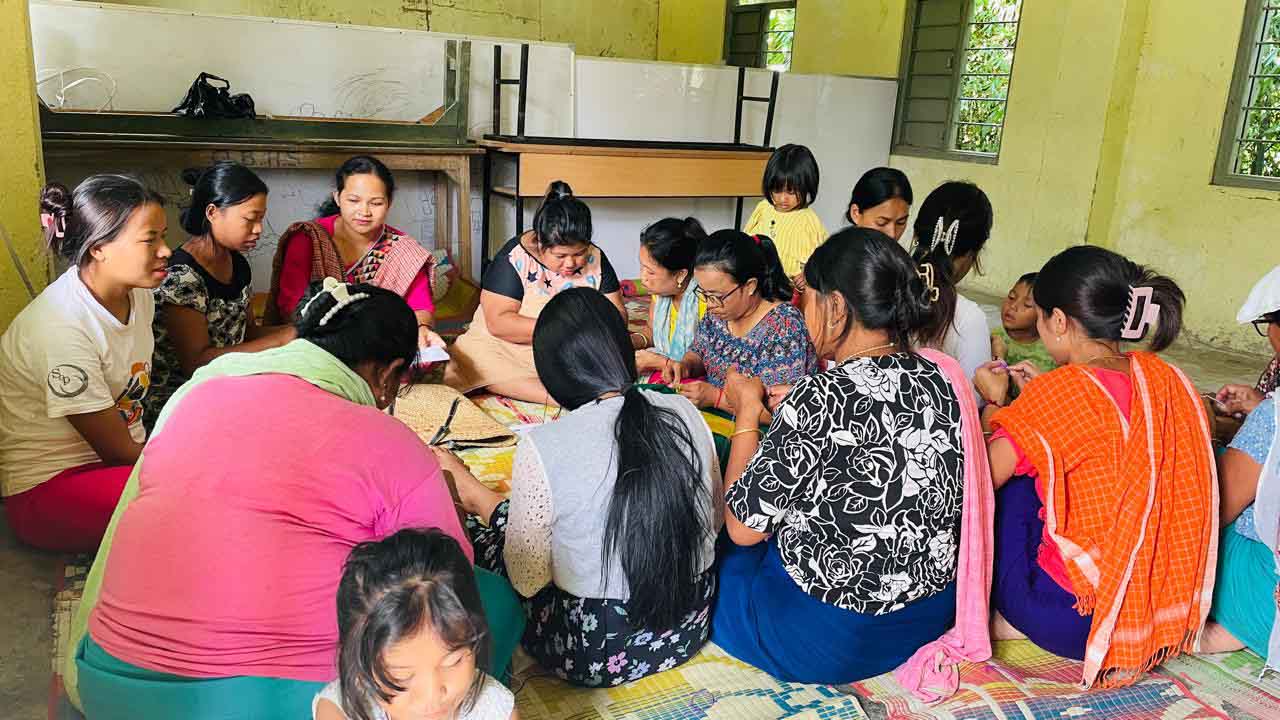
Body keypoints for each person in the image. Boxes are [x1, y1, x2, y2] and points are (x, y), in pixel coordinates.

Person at [65, 280, 524, 719]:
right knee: (495, 600)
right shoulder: (388, 440)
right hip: (284, 703)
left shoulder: (201, 397)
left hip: (111, 686)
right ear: (385, 376)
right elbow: (448, 584)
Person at [712, 228, 989, 686]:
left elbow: (742, 530)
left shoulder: (819, 394)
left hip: (831, 640)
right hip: (926, 617)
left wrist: (746, 411)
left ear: (837, 307)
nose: (804, 314)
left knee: (722, 552)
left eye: (810, 300)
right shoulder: (945, 381)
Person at [440, 287, 722, 687]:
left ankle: (474, 496)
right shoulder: (684, 410)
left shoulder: (546, 443)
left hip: (596, 649)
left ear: (553, 371)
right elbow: (713, 519)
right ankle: (480, 499)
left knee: (477, 542)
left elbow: (527, 578)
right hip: (688, 624)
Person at [977, 246, 1217, 688]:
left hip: (1069, 618)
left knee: (1015, 478)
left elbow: (979, 481)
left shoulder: (1060, 392)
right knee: (1043, 454)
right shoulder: (1172, 382)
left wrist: (1002, 405)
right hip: (1157, 614)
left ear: (1060, 322)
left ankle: (992, 613)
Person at [0, 176, 169, 552]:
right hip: (50, 490)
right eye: (150, 240)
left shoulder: (140, 296)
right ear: (99, 249)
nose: (166, 250)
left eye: (164, 236)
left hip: (118, 468)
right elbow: (119, 451)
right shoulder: (60, 327)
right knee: (199, 501)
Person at [446, 181, 627, 403]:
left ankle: (581, 390)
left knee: (608, 358)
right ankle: (577, 396)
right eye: (560, 256)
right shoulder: (514, 258)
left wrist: (584, 334)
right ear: (539, 244)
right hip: (507, 348)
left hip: (568, 349)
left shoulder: (595, 257)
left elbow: (617, 315)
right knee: (476, 364)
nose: (571, 263)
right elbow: (499, 322)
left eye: (579, 253)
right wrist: (566, 327)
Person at [147, 163, 295, 430]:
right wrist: (282, 339)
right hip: (179, 409)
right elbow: (197, 364)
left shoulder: (237, 265)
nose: (259, 229)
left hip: (224, 393)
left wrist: (300, 331)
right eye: (250, 219)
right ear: (213, 212)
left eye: (261, 219)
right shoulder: (182, 277)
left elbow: (247, 334)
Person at [313, 529, 517, 720]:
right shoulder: (339, 711)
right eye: (401, 677)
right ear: (359, 669)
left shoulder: (497, 711)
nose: (432, 695)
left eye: (453, 662)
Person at [265, 155, 442, 349]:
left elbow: (420, 307)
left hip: (377, 346)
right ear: (337, 198)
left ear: (389, 203)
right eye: (354, 200)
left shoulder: (404, 252)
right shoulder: (309, 239)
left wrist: (423, 329)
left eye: (375, 203)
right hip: (314, 342)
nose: (364, 211)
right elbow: (291, 307)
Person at [667, 230, 818, 415]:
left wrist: (717, 398)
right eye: (704, 293)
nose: (709, 303)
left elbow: (785, 415)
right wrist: (686, 365)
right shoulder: (718, 312)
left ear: (750, 286)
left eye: (715, 296)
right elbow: (699, 351)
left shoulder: (783, 326)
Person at [1201, 386, 1279, 671]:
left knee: (1191, 495)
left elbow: (1209, 515)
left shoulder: (1274, 417)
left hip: (1267, 604)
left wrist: (1205, 430)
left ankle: (1236, 620)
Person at [910, 181, 994, 386]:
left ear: (916, 235)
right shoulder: (968, 318)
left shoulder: (880, 290)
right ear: (972, 253)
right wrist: (998, 363)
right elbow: (974, 400)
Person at [633, 217, 708, 383]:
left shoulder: (708, 300)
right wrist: (631, 342)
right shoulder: (660, 292)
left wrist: (660, 363)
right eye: (642, 267)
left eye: (651, 272)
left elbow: (709, 361)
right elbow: (651, 331)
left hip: (695, 375)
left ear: (681, 274)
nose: (643, 278)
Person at [743, 144, 826, 289]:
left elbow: (824, 261)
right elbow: (746, 242)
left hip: (791, 293)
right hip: (759, 286)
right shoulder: (763, 208)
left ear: (807, 186)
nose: (783, 199)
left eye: (791, 192)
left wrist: (808, 275)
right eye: (777, 190)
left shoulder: (809, 220)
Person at [1216, 265, 1280, 421]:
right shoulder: (1276, 368)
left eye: (1272, 322)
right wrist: (1254, 400)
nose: (1270, 334)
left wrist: (1262, 409)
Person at [990, 272, 1055, 373]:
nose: (1013, 306)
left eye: (1027, 304)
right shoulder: (993, 338)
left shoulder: (1053, 352)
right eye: (1011, 297)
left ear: (1044, 315)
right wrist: (998, 357)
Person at [846, 167, 913, 242]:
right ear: (855, 213)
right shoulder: (836, 252)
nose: (892, 234)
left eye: (901, 223)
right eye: (882, 222)